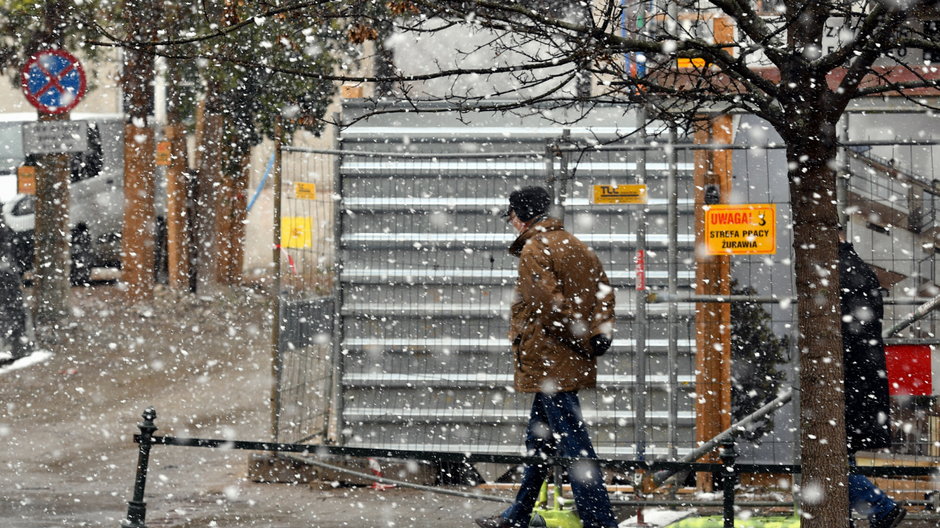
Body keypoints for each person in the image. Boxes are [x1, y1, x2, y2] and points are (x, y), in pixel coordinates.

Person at [474, 186, 618, 528]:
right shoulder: (575, 244)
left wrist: (582, 333)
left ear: (522, 216)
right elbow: (604, 293)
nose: (510, 223)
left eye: (511, 216)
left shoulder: (536, 249)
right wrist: (599, 331)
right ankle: (518, 515)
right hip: (563, 362)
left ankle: (600, 521)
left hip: (551, 361)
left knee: (574, 445)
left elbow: (547, 306)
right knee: (538, 443)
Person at [840, 238, 906, 528]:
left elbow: (849, 331)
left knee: (833, 464)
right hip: (860, 378)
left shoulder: (839, 270)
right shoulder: (857, 269)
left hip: (849, 379)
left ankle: (881, 507)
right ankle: (876, 509)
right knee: (839, 459)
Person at [0, 214, 31, 360]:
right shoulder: (6, 230)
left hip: (5, 274)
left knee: (11, 308)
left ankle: (15, 343)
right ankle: (16, 342)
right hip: (7, 273)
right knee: (12, 308)